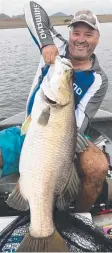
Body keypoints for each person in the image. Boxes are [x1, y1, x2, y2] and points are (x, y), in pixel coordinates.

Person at [0, 2, 108, 212]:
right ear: (69, 34)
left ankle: (79, 216)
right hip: (29, 130)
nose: (81, 39)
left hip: (66, 137)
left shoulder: (98, 79)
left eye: (88, 34)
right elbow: (31, 8)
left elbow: (80, 123)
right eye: (76, 32)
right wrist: (45, 43)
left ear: (97, 38)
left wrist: (52, 152)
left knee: (98, 166)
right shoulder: (56, 48)